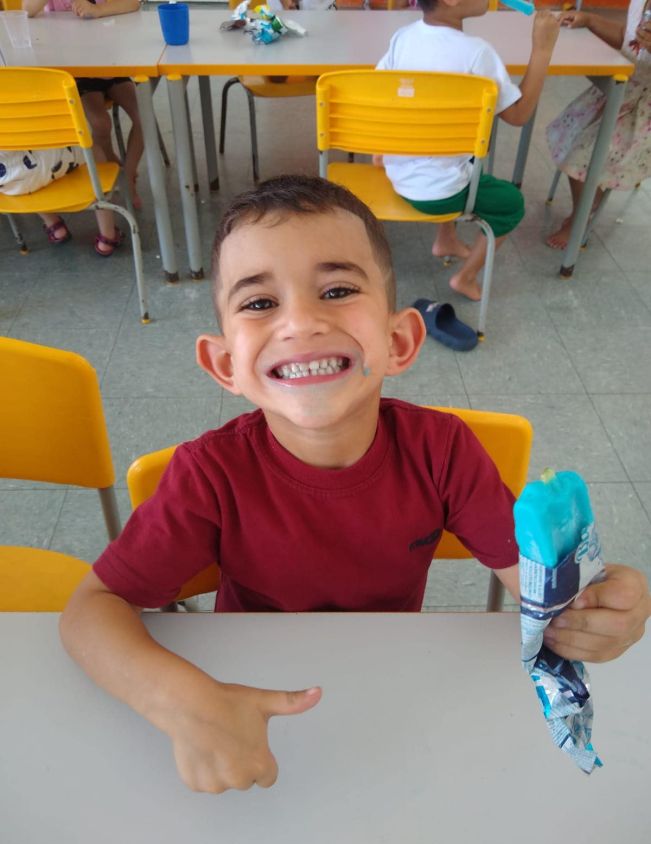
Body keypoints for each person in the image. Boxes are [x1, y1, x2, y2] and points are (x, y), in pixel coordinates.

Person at [60, 175, 650, 795]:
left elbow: (540, 598)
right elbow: (89, 613)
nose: (300, 323)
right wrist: (183, 703)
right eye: (260, 303)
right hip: (246, 699)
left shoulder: (443, 453)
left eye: (337, 290)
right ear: (225, 364)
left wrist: (595, 609)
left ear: (398, 341)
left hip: (395, 706)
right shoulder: (209, 476)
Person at [374, 0, 560, 301]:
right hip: (439, 191)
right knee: (511, 204)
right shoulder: (477, 52)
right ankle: (465, 277)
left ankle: (445, 239)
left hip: (400, 171)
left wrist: (381, 147)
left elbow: (381, 93)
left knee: (459, 151)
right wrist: (543, 49)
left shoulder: (403, 37)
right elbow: (519, 115)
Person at [546, 0, 651, 249]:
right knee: (571, 134)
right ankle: (591, 195)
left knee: (583, 155)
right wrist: (590, 20)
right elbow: (627, 38)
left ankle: (581, 216)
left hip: (644, 109)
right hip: (621, 88)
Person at [24, 0, 145, 209]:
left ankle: (128, 174)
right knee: (100, 124)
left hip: (110, 64)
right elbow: (26, 11)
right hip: (76, 71)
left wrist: (99, 10)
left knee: (145, 117)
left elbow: (133, 3)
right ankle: (111, 167)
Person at [0, 146, 122, 255]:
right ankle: (107, 236)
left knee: (25, 175)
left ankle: (54, 226)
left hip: (10, 182)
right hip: (58, 161)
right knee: (91, 146)